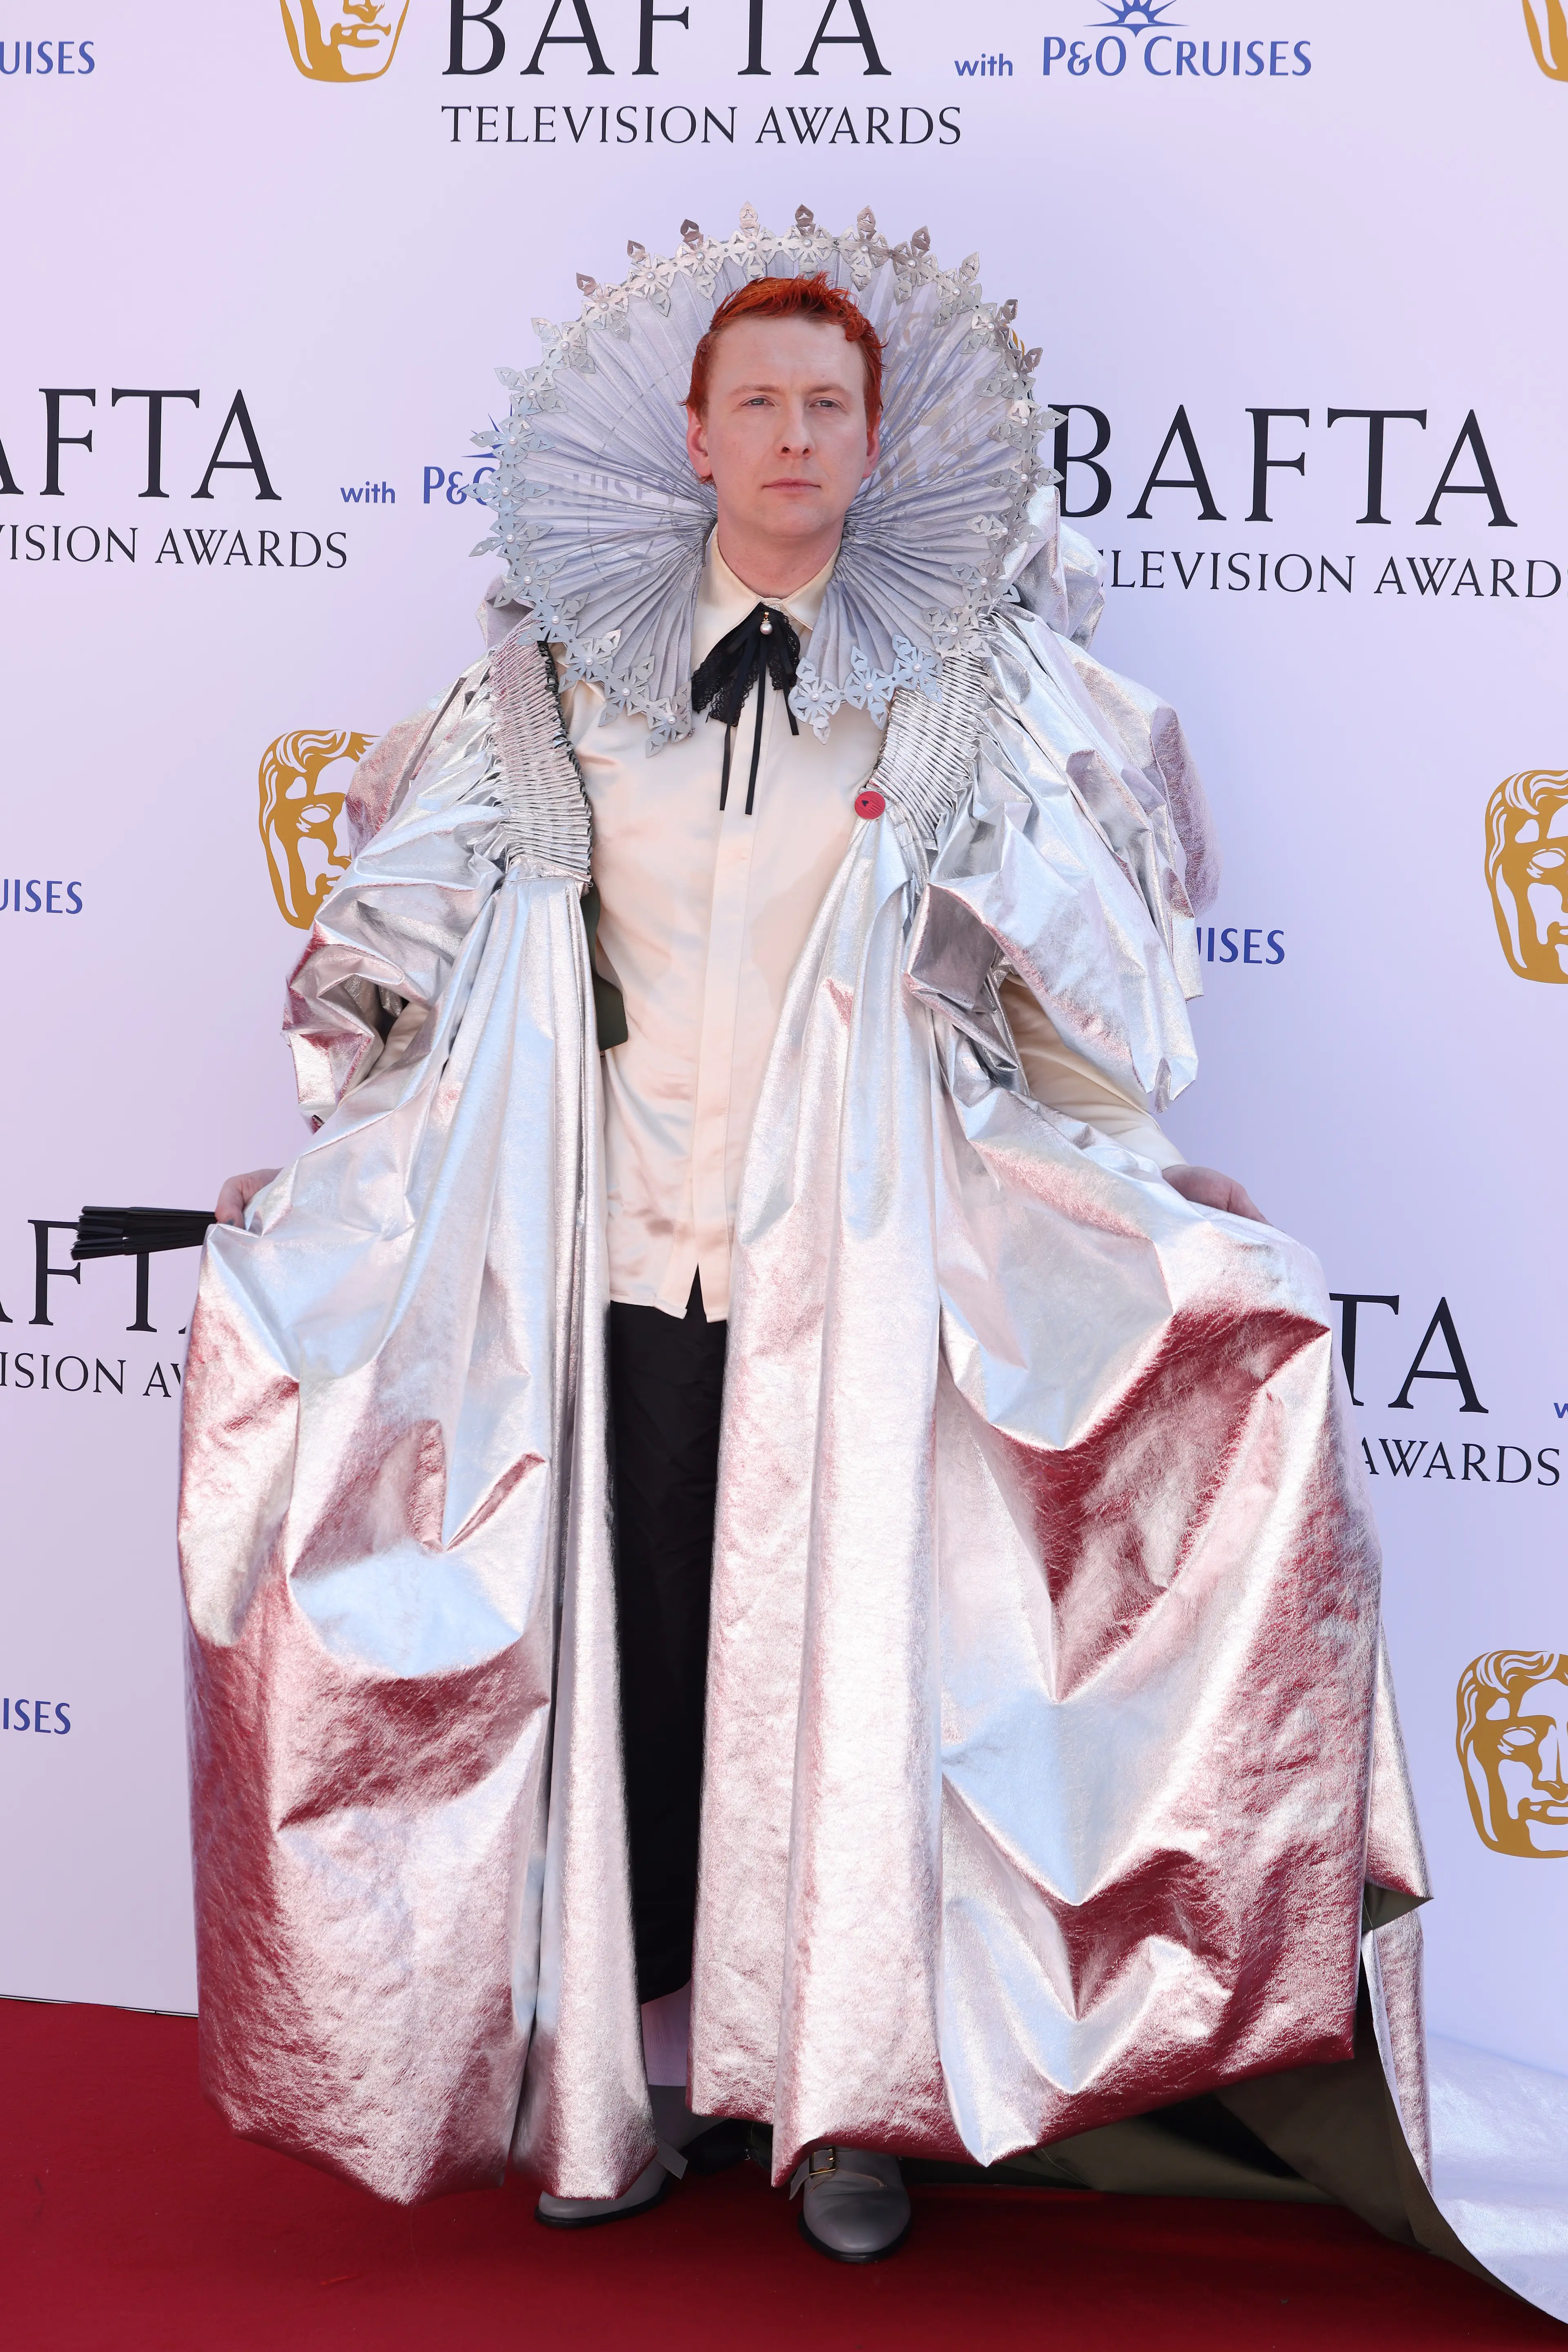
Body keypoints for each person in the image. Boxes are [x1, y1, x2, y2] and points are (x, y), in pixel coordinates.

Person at [187, 209, 1430, 2268]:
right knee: (631, 1686)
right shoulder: (549, 686)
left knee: (857, 1694)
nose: (789, 434)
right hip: (602, 1273)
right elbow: (410, 965)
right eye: (753, 401)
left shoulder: (979, 693)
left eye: (824, 405)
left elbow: (1075, 992)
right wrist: (318, 1175)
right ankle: (612, 2094)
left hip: (855, 1295)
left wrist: (1149, 1182)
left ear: (875, 442)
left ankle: (849, 2107)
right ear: (691, 436)